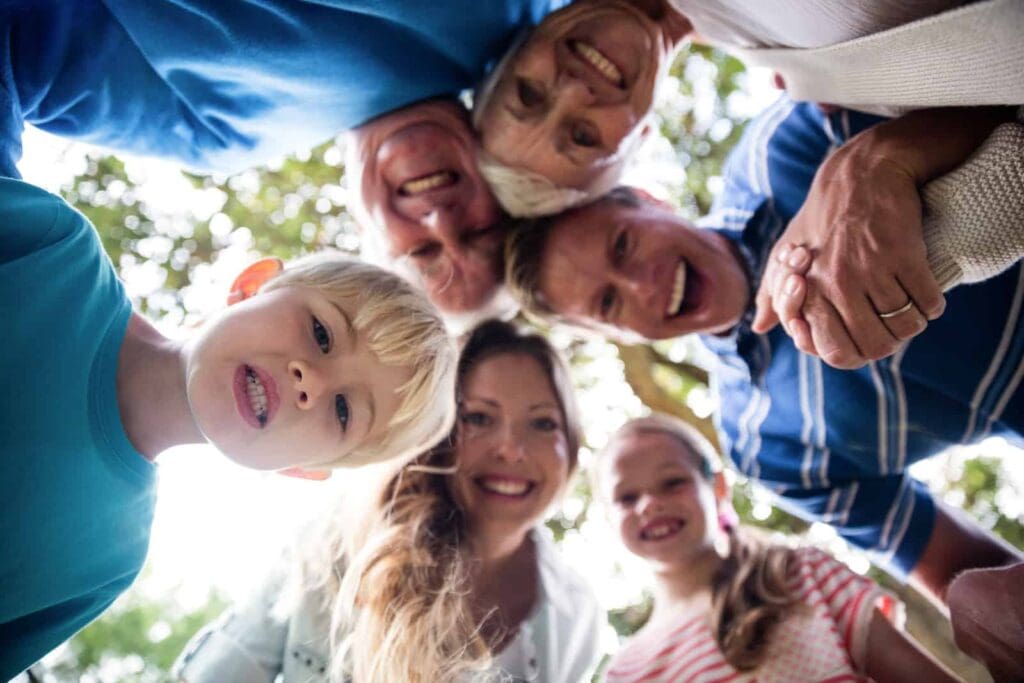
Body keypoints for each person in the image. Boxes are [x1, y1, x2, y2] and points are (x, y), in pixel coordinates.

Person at [502, 96, 1024, 674]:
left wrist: (879, 159)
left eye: (624, 244)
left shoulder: (784, 144)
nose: (644, 286)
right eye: (609, 302)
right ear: (617, 334)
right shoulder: (764, 447)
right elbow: (966, 574)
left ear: (651, 200)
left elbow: (998, 87)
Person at [0, 178, 458, 679]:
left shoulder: (104, 559)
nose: (312, 382)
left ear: (301, 470)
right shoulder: (56, 249)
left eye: (344, 410)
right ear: (252, 285)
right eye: (322, 333)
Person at [0, 0, 556, 316]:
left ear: (370, 239)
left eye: (424, 252)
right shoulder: (513, 20)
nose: (440, 218)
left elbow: (21, 47)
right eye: (482, 233)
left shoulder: (218, 137)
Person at [173, 320, 603, 683]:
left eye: (543, 423)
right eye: (478, 418)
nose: (511, 449)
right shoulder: (336, 546)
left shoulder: (578, 617)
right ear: (438, 436)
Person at [596, 414, 962, 683]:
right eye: (627, 497)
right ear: (608, 519)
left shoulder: (799, 575)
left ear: (718, 488)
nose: (649, 505)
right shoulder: (627, 672)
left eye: (672, 482)